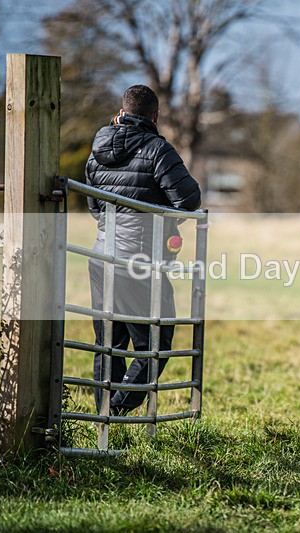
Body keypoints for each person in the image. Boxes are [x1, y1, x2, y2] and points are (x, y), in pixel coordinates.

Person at [85, 85, 201, 415]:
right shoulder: (156, 150)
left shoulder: (96, 151)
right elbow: (189, 200)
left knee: (109, 344)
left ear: (122, 112)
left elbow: (95, 206)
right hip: (142, 261)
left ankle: (103, 417)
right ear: (156, 115)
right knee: (156, 345)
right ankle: (118, 410)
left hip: (102, 254)